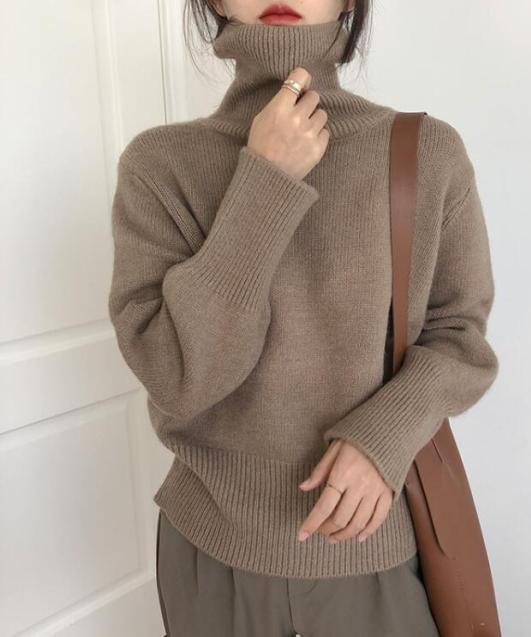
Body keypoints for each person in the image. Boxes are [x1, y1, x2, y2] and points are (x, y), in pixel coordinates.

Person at [107, 0, 499, 635]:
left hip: (372, 548)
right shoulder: (160, 166)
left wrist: (382, 438)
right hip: (211, 555)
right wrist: (263, 181)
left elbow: (459, 334)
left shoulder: (425, 153)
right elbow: (179, 377)